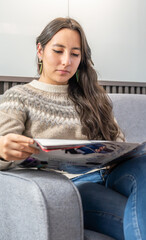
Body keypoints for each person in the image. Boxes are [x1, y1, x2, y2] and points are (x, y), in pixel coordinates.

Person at [0, 17, 145, 240]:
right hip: (72, 186)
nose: (66, 61)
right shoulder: (19, 97)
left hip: (110, 174)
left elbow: (118, 142)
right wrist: (3, 150)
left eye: (75, 54)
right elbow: (4, 144)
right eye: (58, 51)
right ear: (40, 50)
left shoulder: (93, 97)